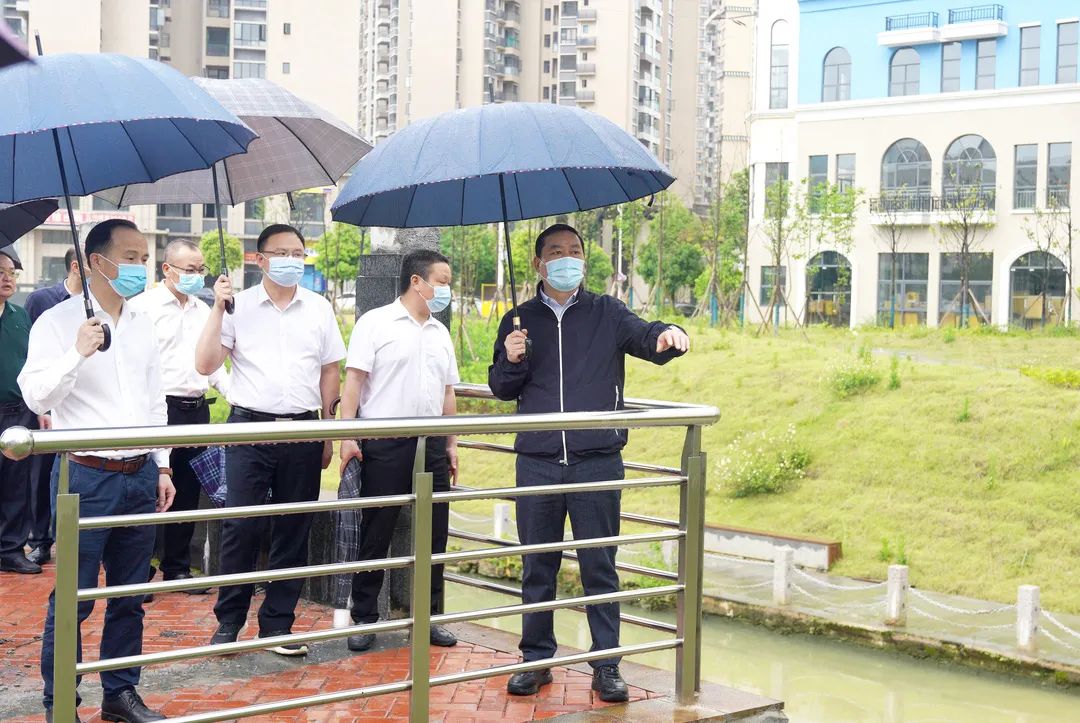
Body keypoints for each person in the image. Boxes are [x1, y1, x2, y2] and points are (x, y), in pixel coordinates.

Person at [488, 223, 690, 702]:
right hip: (537, 461)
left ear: (584, 260)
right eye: (556, 251)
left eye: (575, 251)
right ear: (538, 263)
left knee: (600, 567)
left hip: (596, 460)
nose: (567, 258)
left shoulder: (606, 311)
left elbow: (646, 336)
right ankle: (536, 660)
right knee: (538, 566)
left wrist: (669, 333)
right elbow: (501, 387)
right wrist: (512, 359)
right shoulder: (518, 319)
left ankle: (607, 666)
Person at [19, 219, 174, 723]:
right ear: (95, 262)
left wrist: (162, 465)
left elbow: (154, 399)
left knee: (129, 595)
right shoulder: (58, 322)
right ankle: (60, 700)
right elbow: (36, 397)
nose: (139, 268)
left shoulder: (142, 323)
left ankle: (120, 693)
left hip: (140, 473)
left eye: (143, 259)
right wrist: (76, 352)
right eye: (129, 258)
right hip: (84, 477)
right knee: (74, 596)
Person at [196, 223, 344, 656]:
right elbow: (205, 364)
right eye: (281, 253)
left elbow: (330, 370)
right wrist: (217, 308)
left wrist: (328, 430)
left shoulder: (318, 308)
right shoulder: (236, 305)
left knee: (294, 529)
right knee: (241, 526)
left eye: (298, 253)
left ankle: (278, 625)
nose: (291, 260)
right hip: (250, 429)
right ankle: (229, 621)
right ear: (259, 259)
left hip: (303, 430)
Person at [338, 249, 460, 652]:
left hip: (432, 443)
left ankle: (429, 618)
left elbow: (448, 391)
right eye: (441, 281)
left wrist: (452, 442)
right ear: (416, 281)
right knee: (377, 531)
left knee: (434, 535)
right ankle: (363, 617)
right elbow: (354, 382)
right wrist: (347, 436)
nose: (446, 290)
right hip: (385, 441)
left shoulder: (440, 333)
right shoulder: (375, 323)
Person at [130, 239, 229, 593]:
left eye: (201, 269)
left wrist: (238, 396)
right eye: (189, 269)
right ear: (167, 269)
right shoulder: (142, 308)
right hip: (157, 410)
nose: (196, 276)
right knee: (149, 488)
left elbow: (213, 365)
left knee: (187, 490)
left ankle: (177, 568)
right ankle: (138, 570)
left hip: (196, 409)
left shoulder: (204, 310)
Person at [22, 247, 83, 566]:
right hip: (47, 402)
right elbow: (31, 358)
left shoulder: (99, 306)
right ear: (77, 266)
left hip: (81, 406)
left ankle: (73, 539)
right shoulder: (41, 301)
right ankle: (40, 540)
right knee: (42, 473)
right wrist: (41, 410)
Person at [0, 246, 43, 574]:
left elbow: (33, 363)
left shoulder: (20, 316)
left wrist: (41, 407)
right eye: (0, 273)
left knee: (16, 485)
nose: (7, 279)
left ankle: (11, 549)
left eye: (11, 273)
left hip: (18, 413)